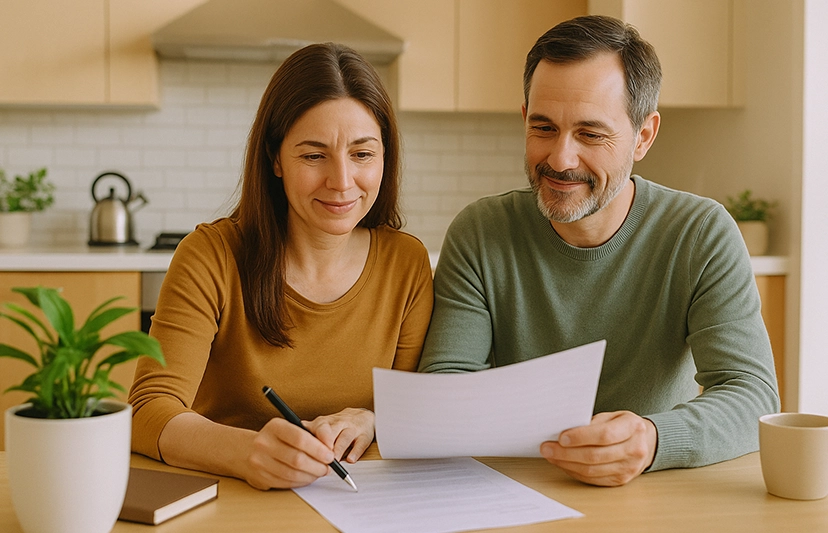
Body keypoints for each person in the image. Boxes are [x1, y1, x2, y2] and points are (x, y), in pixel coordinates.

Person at [417, 15, 779, 487]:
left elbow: (752, 394)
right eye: (543, 128)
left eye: (590, 134)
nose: (561, 159)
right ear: (524, 118)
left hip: (652, 489)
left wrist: (652, 439)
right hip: (515, 488)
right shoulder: (482, 233)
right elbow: (447, 392)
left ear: (644, 136)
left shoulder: (700, 234)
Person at [129, 42, 433, 490]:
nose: (342, 181)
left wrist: (373, 419)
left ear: (385, 157)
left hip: (357, 503)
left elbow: (411, 408)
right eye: (313, 155)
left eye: (362, 154)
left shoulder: (406, 264)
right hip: (228, 500)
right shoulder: (210, 255)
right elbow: (147, 409)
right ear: (275, 158)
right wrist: (245, 451)